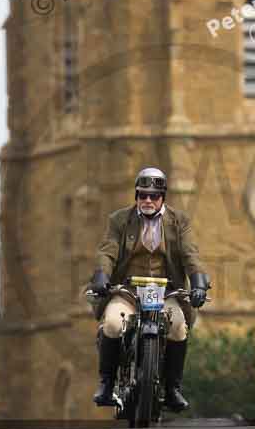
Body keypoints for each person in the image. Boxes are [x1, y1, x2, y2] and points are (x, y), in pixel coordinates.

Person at [88, 167, 210, 411]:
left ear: (162, 197)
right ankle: (107, 383)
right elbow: (107, 251)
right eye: (142, 195)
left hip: (166, 292)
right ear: (136, 195)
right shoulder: (119, 220)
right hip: (127, 291)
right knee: (112, 323)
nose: (147, 200)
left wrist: (198, 282)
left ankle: (173, 388)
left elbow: (190, 254)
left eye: (153, 196)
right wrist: (101, 277)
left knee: (177, 328)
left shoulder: (179, 221)